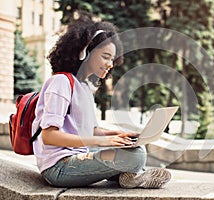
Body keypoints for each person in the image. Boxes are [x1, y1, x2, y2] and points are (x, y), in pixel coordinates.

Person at [31, 15, 171, 188]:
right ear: (85, 52)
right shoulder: (60, 82)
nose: (110, 64)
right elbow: (49, 136)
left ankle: (127, 177)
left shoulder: (84, 87)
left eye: (112, 59)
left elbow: (92, 130)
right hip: (59, 167)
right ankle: (134, 173)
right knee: (135, 157)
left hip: (80, 156)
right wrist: (104, 143)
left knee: (136, 150)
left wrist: (117, 135)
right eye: (106, 56)